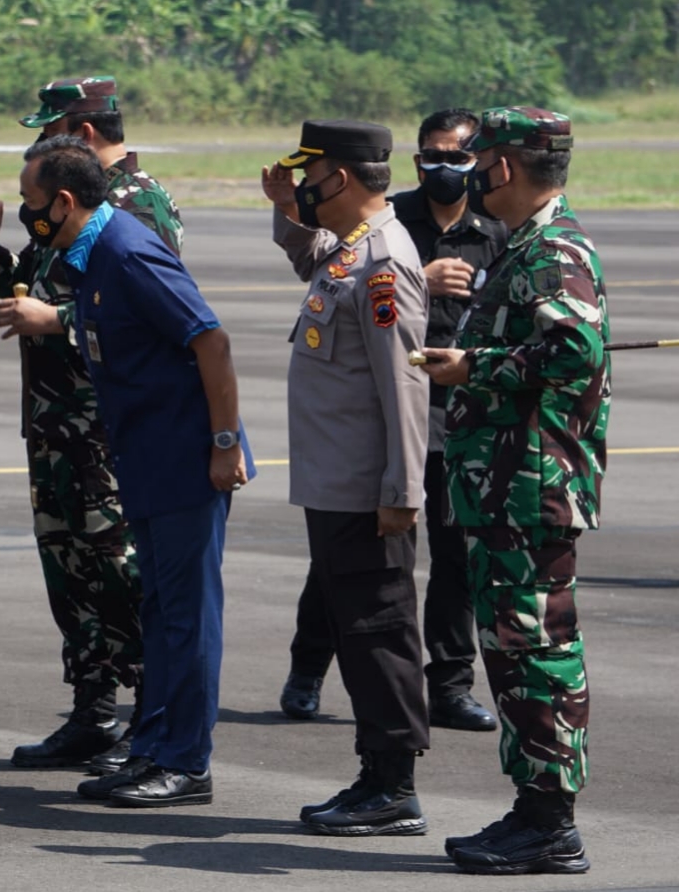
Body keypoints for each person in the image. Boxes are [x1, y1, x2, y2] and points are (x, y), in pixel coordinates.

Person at [0, 135, 250, 806]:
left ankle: (187, 763)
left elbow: (211, 339)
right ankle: (152, 750)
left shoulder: (128, 252)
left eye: (32, 203)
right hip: (141, 455)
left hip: (186, 459)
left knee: (187, 615)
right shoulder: (87, 255)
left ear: (66, 201)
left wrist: (225, 443)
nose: (27, 214)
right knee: (160, 611)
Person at [0, 75, 183, 775]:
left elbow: (154, 311)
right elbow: (41, 285)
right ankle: (92, 709)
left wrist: (60, 322)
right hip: (56, 417)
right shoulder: (64, 198)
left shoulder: (137, 203)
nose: (36, 145)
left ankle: (150, 719)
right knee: (70, 568)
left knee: (119, 569)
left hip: (103, 422)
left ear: (82, 133)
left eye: (47, 132)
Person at [421, 107, 608, 876]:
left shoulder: (552, 248)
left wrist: (475, 368)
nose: (470, 174)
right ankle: (536, 810)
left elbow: (572, 350)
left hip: (530, 486)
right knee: (516, 648)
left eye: (480, 160)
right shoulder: (528, 245)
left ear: (502, 167)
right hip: (507, 485)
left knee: (534, 651)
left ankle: (549, 822)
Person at [278, 109, 506, 733]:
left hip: (443, 418)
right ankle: (309, 673)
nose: (446, 169)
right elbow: (316, 261)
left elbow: (400, 372)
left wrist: (402, 488)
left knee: (417, 584)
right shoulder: (384, 230)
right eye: (432, 156)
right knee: (347, 586)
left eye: (459, 158)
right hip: (388, 435)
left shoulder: (442, 241)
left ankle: (437, 704)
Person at [262, 120, 431, 835]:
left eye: (313, 174)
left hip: (368, 490)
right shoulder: (352, 252)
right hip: (336, 484)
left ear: (349, 178)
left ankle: (392, 786)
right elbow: (311, 257)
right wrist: (284, 208)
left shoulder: (384, 264)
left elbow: (405, 387)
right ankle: (376, 776)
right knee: (356, 628)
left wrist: (402, 491)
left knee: (379, 630)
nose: (304, 185)